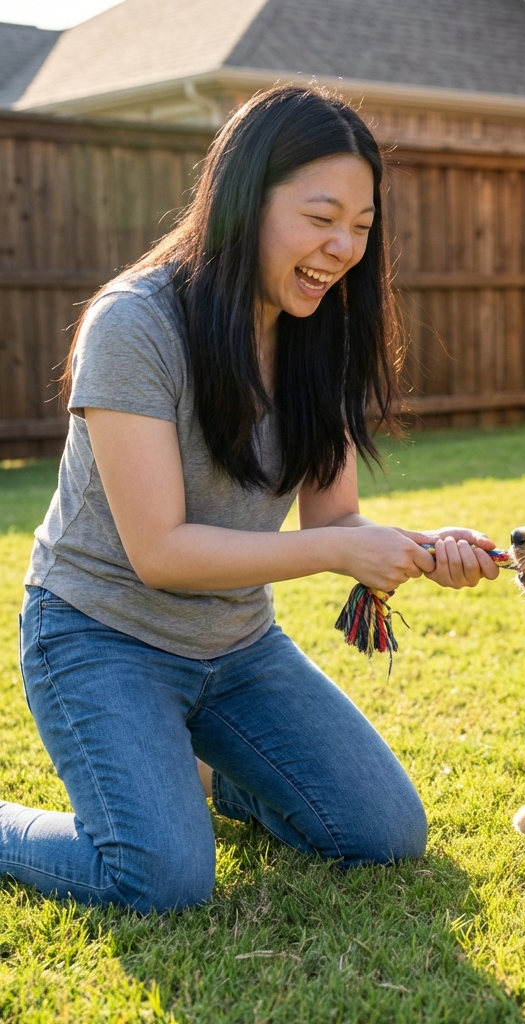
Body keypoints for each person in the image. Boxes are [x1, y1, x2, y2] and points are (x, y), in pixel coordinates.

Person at [1, 86, 500, 913]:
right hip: (100, 638)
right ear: (245, 198)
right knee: (160, 881)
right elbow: (161, 551)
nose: (343, 247)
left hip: (236, 646)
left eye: (363, 226)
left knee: (382, 833)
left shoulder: (322, 332)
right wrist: (342, 552)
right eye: (320, 217)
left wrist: (410, 548)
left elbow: (334, 520)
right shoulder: (135, 324)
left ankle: (198, 766)